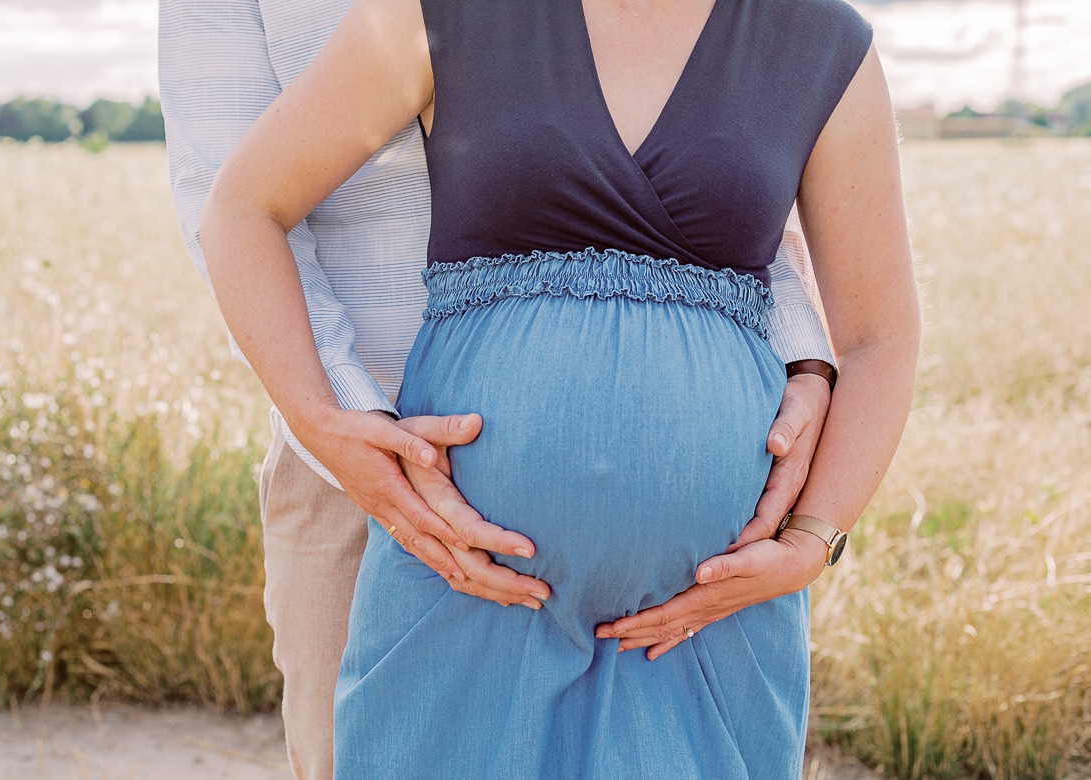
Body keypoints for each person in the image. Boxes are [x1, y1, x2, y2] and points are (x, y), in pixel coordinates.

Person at [163, 1, 855, 778]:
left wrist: (802, 356)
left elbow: (723, 159)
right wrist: (342, 419)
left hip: (684, 540)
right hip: (348, 446)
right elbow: (225, 193)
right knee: (346, 753)